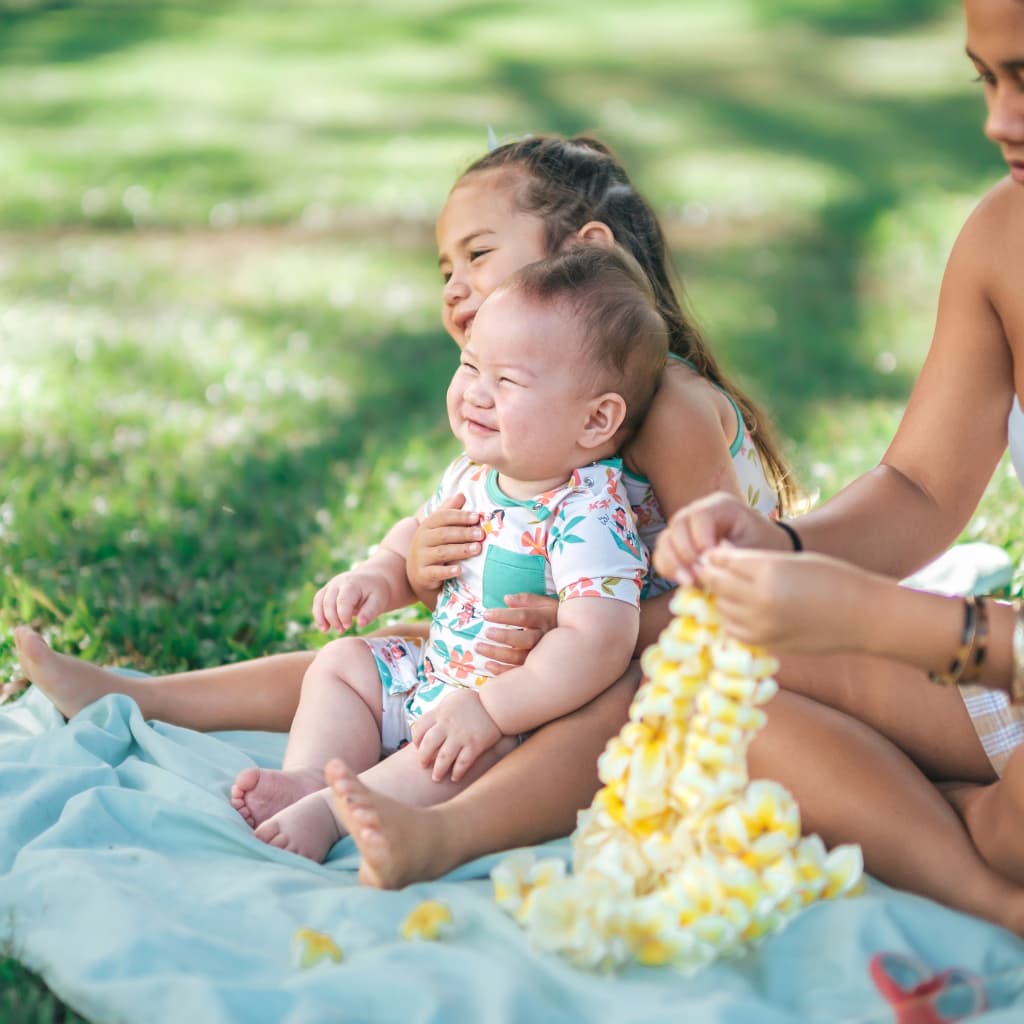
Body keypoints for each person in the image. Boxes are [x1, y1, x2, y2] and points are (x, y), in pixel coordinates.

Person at [12, 134, 789, 880]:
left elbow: (726, 594)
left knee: (558, 687)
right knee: (381, 653)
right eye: (444, 267)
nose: (453, 286)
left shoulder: (672, 410)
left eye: (478, 255)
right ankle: (151, 702)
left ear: (585, 252)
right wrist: (406, 566)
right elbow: (474, 536)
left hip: (646, 652)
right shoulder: (529, 409)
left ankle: (417, 817)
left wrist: (571, 637)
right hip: (544, 630)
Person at [640, 0, 1024, 934]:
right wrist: (779, 545)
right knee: (697, 668)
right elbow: (924, 488)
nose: (999, 121)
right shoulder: (1004, 239)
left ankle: (975, 832)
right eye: (987, 77)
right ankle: (990, 878)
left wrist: (874, 618)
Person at [230, 245, 664, 861]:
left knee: (459, 761)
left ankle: (331, 815)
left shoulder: (589, 515)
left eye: (508, 380)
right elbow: (421, 534)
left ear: (595, 421)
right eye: (469, 366)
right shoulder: (472, 473)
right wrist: (380, 574)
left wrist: (491, 710)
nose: (476, 394)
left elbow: (598, 643)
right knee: (343, 664)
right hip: (433, 679)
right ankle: (310, 776)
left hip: (507, 724)